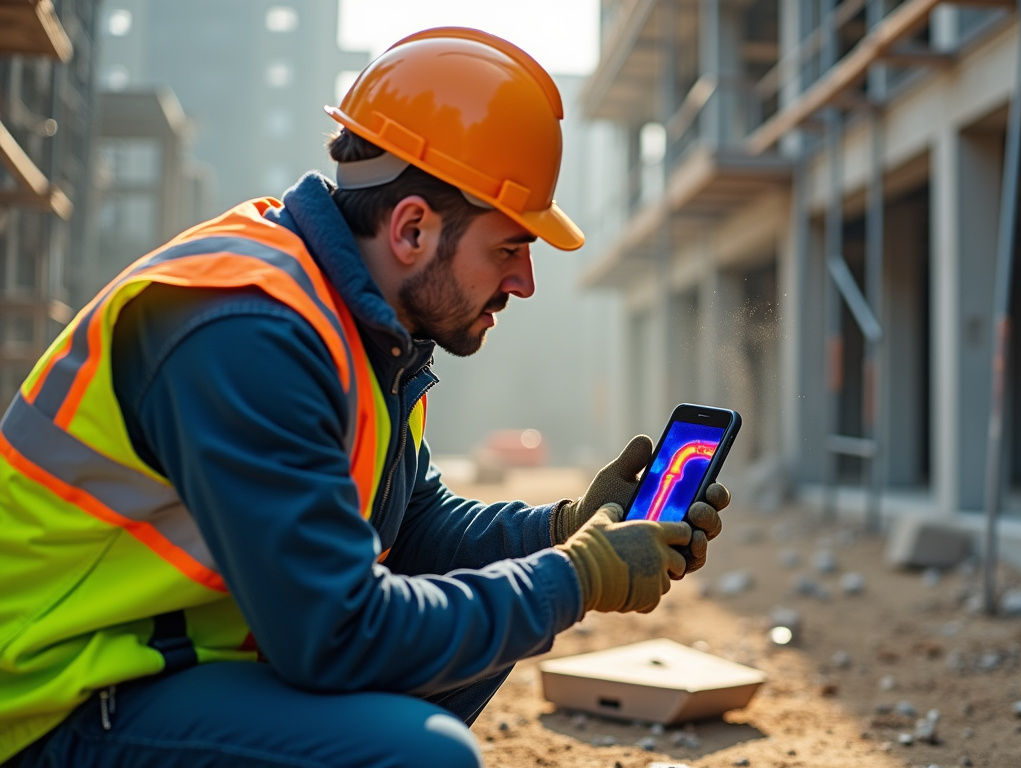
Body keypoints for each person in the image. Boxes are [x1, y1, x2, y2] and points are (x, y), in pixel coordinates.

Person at [0, 28, 730, 768]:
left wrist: (563, 529)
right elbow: (336, 635)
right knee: (422, 751)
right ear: (412, 227)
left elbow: (412, 527)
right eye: (508, 248)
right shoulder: (247, 332)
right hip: (50, 704)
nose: (523, 283)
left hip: (159, 675)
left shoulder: (364, 331)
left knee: (487, 622)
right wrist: (575, 577)